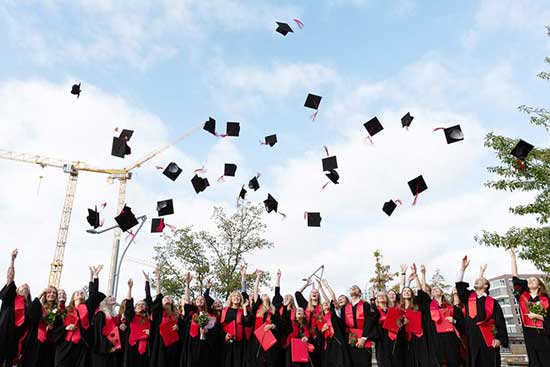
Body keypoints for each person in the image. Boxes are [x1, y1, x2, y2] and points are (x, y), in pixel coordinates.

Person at [456, 255, 508, 367]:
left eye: (480, 280)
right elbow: (459, 286)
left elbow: (500, 322)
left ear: (486, 286)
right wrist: (462, 269)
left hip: (488, 338)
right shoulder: (468, 297)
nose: (477, 280)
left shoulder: (492, 302)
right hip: (472, 337)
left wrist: (499, 339)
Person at [53, 265, 106, 367]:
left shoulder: (87, 307)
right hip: (65, 345)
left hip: (80, 346)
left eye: (82, 293)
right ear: (73, 297)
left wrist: (95, 276)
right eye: (77, 293)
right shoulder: (65, 310)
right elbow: (56, 329)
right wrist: (66, 328)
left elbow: (93, 295)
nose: (80, 293)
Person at [510, 249, 550, 366]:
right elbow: (515, 278)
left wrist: (538, 316)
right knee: (534, 361)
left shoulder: (545, 299)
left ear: (539, 285)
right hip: (529, 334)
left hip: (544, 336)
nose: (531, 280)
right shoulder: (522, 296)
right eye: (529, 280)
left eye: (534, 279)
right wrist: (513, 258)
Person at [181, 272, 220, 367]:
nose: (200, 300)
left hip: (206, 344)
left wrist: (207, 331)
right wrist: (187, 284)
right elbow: (187, 300)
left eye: (202, 299)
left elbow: (215, 330)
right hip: (192, 343)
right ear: (194, 302)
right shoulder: (191, 313)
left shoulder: (210, 315)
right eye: (197, 299)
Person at [0, 249, 31, 367]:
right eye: (22, 286)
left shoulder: (29, 307)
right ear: (17, 289)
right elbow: (9, 279)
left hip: (16, 341)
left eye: (27, 287)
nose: (25, 287)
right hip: (3, 333)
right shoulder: (11, 298)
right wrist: (12, 261)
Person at [19, 285, 59, 367]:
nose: (52, 294)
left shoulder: (59, 311)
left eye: (54, 293)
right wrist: (41, 293)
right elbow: (31, 314)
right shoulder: (40, 307)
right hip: (35, 341)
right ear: (45, 294)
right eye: (49, 292)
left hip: (50, 345)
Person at [149, 268, 182, 367]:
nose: (167, 298)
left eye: (169, 298)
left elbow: (183, 331)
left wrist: (178, 328)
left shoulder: (177, 316)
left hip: (174, 347)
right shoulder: (159, 314)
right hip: (160, 346)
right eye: (165, 298)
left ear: (172, 302)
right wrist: (158, 280)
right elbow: (158, 297)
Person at [248, 269, 281, 367]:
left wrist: (272, 326)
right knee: (257, 360)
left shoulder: (274, 310)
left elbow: (278, 324)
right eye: (262, 295)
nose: (264, 294)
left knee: (270, 360)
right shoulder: (257, 308)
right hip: (257, 338)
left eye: (266, 294)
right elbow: (255, 290)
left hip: (270, 337)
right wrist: (258, 276)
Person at [340, 284, 377, 367]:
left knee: (364, 363)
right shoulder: (344, 308)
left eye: (356, 288)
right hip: (350, 340)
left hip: (364, 338)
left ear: (360, 294)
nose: (353, 288)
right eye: (352, 288)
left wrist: (364, 338)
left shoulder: (365, 305)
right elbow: (342, 325)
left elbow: (370, 322)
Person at [318, 279, 352, 367]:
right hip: (327, 342)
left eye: (342, 298)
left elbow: (332, 297)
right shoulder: (321, 318)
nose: (325, 303)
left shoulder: (334, 313)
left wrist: (326, 286)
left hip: (337, 339)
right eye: (323, 303)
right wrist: (320, 288)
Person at [123, 275, 151, 367]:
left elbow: (149, 299)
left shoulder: (149, 320)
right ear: (135, 308)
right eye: (138, 304)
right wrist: (130, 288)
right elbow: (129, 305)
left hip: (145, 348)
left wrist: (147, 282)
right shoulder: (132, 317)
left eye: (143, 304)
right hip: (132, 347)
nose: (140, 305)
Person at [295, 278, 322, 367]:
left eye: (316, 292)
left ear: (319, 295)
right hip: (305, 337)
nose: (314, 293)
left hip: (318, 338)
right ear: (310, 295)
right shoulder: (305, 305)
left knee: (317, 361)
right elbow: (297, 293)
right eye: (312, 292)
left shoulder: (322, 308)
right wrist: (306, 284)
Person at [220, 290, 251, 367]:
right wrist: (225, 335)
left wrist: (244, 307)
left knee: (238, 362)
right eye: (234, 296)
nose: (236, 297)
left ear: (240, 299)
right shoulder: (225, 310)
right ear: (231, 298)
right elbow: (220, 325)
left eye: (238, 296)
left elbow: (247, 322)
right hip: (227, 340)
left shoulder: (243, 310)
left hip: (240, 341)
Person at [91, 294, 121, 367]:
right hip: (102, 350)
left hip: (112, 349)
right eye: (109, 297)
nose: (113, 297)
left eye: (113, 296)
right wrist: (108, 347)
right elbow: (98, 332)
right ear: (104, 301)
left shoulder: (114, 316)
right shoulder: (101, 314)